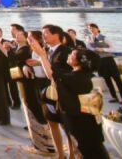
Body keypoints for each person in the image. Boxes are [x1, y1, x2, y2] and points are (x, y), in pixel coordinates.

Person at [31, 37, 110, 158]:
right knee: (93, 149)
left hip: (81, 124)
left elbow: (52, 74)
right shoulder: (83, 75)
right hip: (87, 122)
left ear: (80, 61)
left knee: (88, 150)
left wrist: (42, 55)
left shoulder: (77, 78)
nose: (69, 55)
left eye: (72, 55)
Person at [13, 30, 56, 154]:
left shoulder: (43, 50)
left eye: (31, 37)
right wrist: (27, 66)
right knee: (37, 108)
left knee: (45, 111)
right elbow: (26, 62)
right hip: (35, 82)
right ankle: (41, 143)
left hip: (44, 83)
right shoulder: (32, 50)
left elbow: (50, 66)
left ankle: (48, 144)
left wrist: (38, 62)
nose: (29, 39)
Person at [42, 24, 72, 159]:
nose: (44, 36)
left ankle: (72, 153)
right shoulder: (47, 51)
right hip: (50, 93)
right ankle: (60, 154)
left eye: (46, 33)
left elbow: (53, 74)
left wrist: (41, 56)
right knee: (52, 122)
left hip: (64, 94)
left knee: (67, 127)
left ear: (56, 35)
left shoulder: (65, 52)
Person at [88, 23, 122, 104]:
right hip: (100, 62)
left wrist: (103, 50)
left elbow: (113, 49)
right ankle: (114, 97)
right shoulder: (90, 39)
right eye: (90, 28)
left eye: (93, 28)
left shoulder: (104, 38)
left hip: (109, 60)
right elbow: (88, 48)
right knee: (107, 80)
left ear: (97, 28)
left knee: (117, 79)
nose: (91, 30)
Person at [0, 26, 20, 109]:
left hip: (11, 67)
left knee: (13, 86)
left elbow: (14, 54)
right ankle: (7, 102)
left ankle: (16, 103)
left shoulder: (8, 42)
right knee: (3, 86)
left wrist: (10, 46)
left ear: (1, 32)